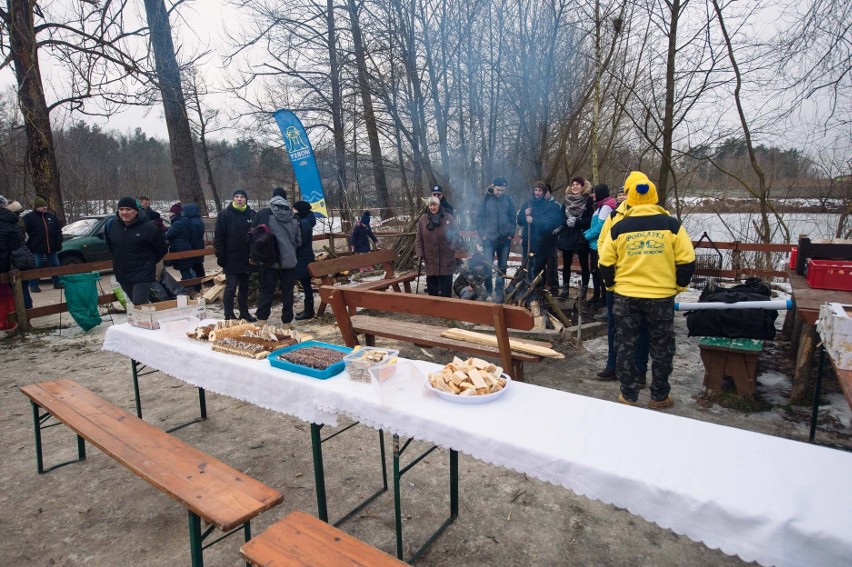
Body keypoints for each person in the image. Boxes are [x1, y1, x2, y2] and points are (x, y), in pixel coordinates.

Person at [598, 175, 695, 408]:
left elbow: (605, 262)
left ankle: (628, 396)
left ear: (630, 199)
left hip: (626, 296)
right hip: (661, 297)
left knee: (625, 345)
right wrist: (677, 286)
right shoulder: (672, 225)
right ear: (655, 198)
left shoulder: (618, 227)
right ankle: (659, 396)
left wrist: (612, 286)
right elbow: (688, 260)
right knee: (662, 347)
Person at [595, 173, 650, 382]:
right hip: (615, 281)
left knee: (641, 327)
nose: (626, 196)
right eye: (626, 192)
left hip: (640, 283)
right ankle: (613, 365)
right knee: (614, 325)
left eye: (630, 192)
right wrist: (608, 267)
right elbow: (602, 242)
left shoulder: (653, 217)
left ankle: (639, 370)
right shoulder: (614, 216)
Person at [106, 197, 169, 305]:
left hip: (142, 273)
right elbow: (111, 246)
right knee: (137, 304)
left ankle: (147, 320)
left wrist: (148, 263)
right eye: (121, 209)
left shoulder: (149, 228)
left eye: (128, 209)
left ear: (136, 211)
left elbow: (162, 248)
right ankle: (152, 319)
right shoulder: (113, 225)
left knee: (139, 303)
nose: (124, 212)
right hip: (122, 273)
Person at [254, 193, 301, 326]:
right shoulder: (294, 218)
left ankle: (262, 320)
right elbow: (299, 241)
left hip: (270, 261)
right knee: (288, 293)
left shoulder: (265, 216)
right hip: (289, 262)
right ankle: (287, 322)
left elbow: (256, 238)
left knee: (266, 291)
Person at [214, 189, 257, 321]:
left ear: (246, 199)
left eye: (242, 197)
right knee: (231, 287)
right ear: (233, 199)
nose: (239, 199)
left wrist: (254, 255)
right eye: (237, 196)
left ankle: (244, 312)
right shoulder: (225, 215)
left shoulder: (252, 214)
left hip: (247, 257)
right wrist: (220, 255)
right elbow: (219, 237)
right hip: (230, 257)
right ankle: (229, 314)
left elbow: (257, 236)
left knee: (244, 287)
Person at [474, 177, 516, 302]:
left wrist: (511, 233)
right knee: (487, 266)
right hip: (489, 239)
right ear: (493, 187)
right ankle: (488, 292)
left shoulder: (508, 199)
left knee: (502, 267)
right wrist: (482, 235)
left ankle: (499, 293)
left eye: (503, 190)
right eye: (498, 190)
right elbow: (478, 218)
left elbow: (513, 217)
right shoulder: (485, 199)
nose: (500, 192)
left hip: (504, 239)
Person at [554, 177, 594, 299]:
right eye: (573, 185)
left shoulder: (588, 200)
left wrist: (578, 221)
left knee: (583, 264)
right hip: (567, 234)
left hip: (581, 234)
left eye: (577, 184)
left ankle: (584, 290)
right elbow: (560, 216)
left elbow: (591, 219)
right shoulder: (566, 200)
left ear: (583, 186)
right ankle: (565, 288)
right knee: (566, 263)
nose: (575, 187)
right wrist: (567, 221)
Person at [516, 180, 561, 285]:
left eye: (540, 190)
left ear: (544, 192)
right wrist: (524, 214)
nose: (537, 192)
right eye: (535, 190)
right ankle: (525, 286)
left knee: (538, 267)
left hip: (541, 242)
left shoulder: (548, 206)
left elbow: (548, 224)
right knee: (526, 265)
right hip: (528, 241)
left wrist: (533, 220)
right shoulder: (527, 204)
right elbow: (520, 222)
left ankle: (538, 288)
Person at [415, 195, 459, 297]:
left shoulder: (449, 218)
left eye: (434, 205)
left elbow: (456, 235)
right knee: (432, 287)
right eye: (430, 205)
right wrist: (419, 253)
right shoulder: (423, 219)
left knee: (446, 288)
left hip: (446, 257)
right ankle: (433, 310)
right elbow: (418, 238)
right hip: (430, 257)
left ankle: (446, 309)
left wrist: (451, 249)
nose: (432, 207)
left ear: (439, 205)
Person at [583, 184, 618, 308]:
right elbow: (593, 227)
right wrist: (584, 234)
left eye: (595, 193)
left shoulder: (606, 208)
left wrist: (585, 237)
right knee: (595, 272)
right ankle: (596, 296)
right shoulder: (600, 206)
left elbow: (600, 228)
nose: (593, 195)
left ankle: (603, 299)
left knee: (600, 272)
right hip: (594, 244)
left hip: (600, 245)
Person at [23, 196, 63, 292]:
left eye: (45, 205)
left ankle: (57, 282)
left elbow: (58, 231)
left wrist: (58, 242)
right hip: (36, 248)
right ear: (36, 207)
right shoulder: (28, 218)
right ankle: (33, 285)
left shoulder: (51, 217)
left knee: (56, 265)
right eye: (41, 206)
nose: (44, 207)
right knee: (36, 266)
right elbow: (24, 233)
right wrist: (29, 245)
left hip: (51, 247)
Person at [166, 202, 205, 292]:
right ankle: (200, 286)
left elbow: (191, 236)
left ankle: (196, 288)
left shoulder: (192, 222)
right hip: (197, 247)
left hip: (192, 248)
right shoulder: (196, 220)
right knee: (197, 268)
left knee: (192, 270)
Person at [0, 196, 22, 334]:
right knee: (5, 293)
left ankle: (8, 322)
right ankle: (9, 322)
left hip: (3, 260)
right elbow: (15, 243)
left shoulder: (9, 219)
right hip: (5, 261)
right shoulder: (10, 219)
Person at [293, 200, 316, 320]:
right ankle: (308, 309)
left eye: (295, 209)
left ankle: (309, 310)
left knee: (306, 285)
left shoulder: (304, 223)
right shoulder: (307, 221)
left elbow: (300, 241)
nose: (293, 211)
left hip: (303, 257)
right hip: (305, 256)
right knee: (306, 284)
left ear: (300, 210)